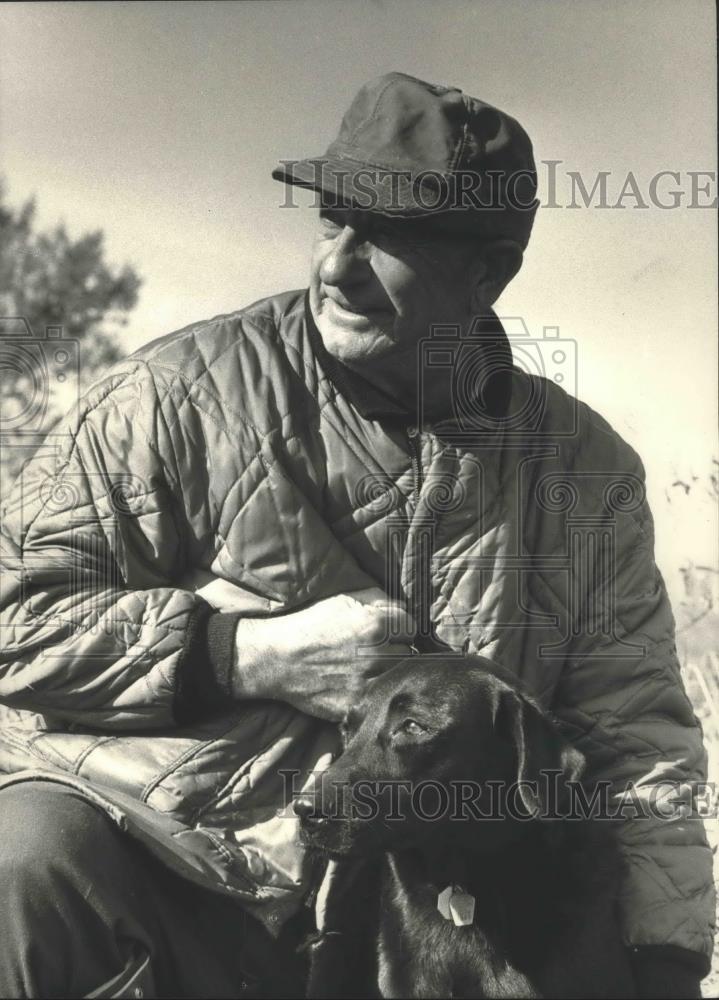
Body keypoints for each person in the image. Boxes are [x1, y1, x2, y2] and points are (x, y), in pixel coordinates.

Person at [0, 72, 713, 998]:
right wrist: (237, 655)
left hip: (441, 930)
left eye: (387, 237)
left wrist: (662, 966)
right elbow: (16, 618)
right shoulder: (172, 396)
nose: (337, 264)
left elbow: (634, 739)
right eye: (332, 220)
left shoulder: (583, 474)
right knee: (22, 866)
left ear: (486, 273)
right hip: (171, 868)